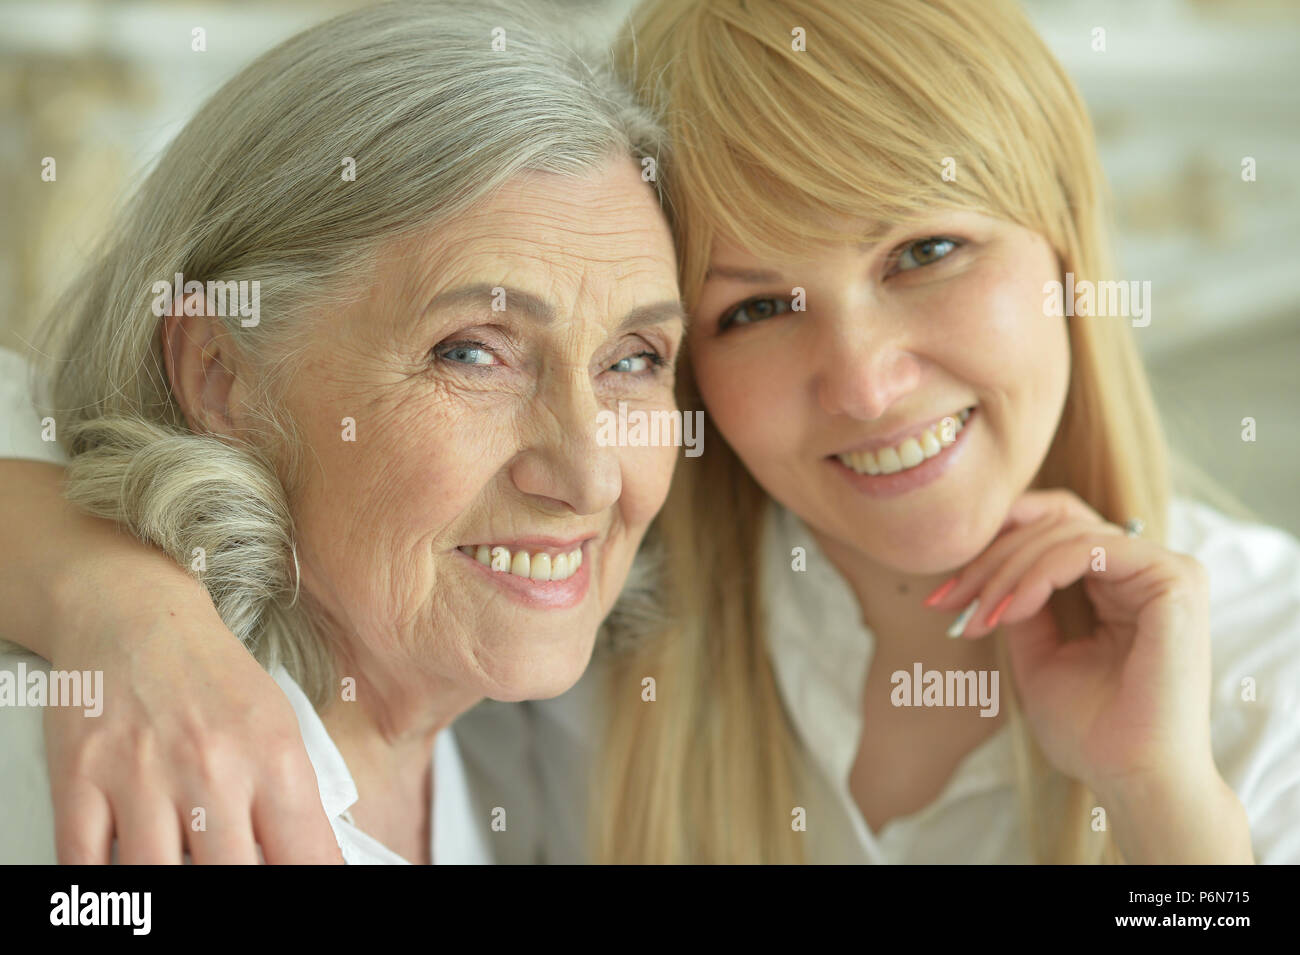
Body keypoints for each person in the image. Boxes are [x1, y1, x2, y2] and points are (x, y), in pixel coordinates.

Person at [4, 0, 1298, 864]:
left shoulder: (1267, 664)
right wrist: (116, 603)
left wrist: (1165, 807)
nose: (860, 380)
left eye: (929, 249)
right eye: (758, 307)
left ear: (1073, 248)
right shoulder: (591, 642)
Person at [0, 0, 684, 864]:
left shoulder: (539, 743)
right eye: (472, 352)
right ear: (220, 374)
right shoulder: (78, 782)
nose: (590, 476)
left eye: (633, 360)